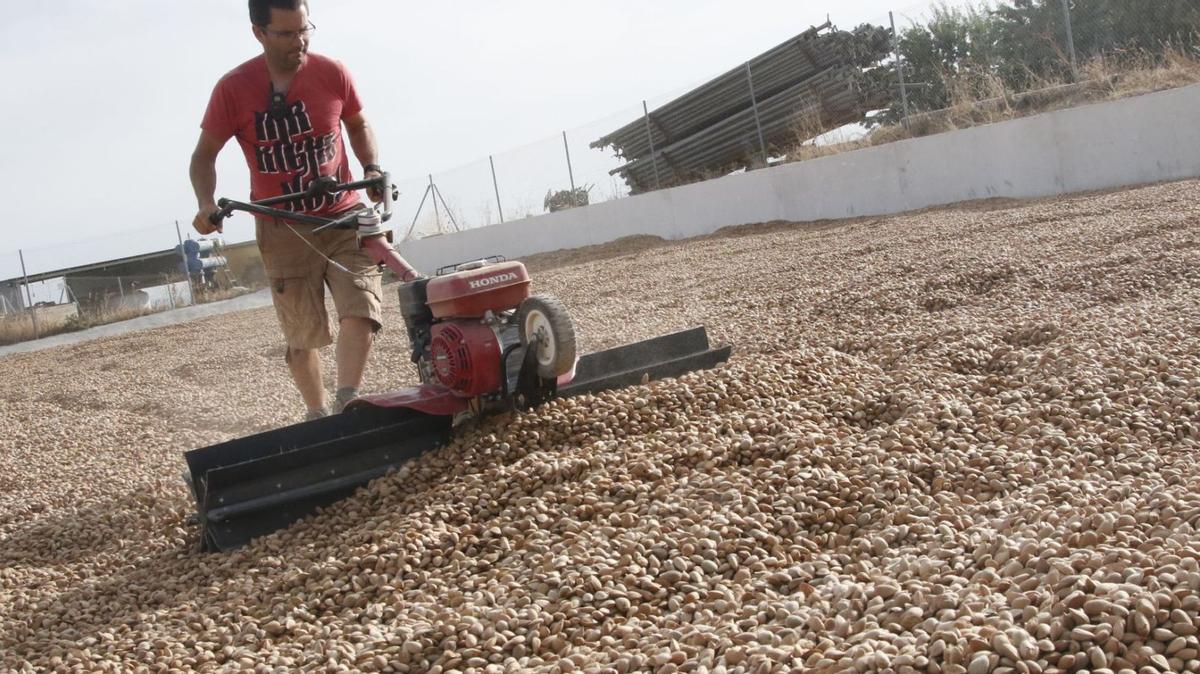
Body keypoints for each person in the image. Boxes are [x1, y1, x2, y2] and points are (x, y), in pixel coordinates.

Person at [189, 0, 385, 420]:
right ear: (258, 33)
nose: (300, 41)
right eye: (286, 33)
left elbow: (358, 124)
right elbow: (204, 156)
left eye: (304, 29)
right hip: (283, 230)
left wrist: (370, 167)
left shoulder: (332, 72)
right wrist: (206, 203)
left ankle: (347, 402)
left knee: (362, 306)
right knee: (303, 335)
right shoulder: (233, 89)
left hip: (343, 215)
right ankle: (316, 417)